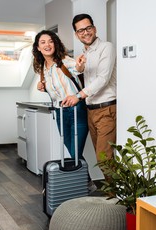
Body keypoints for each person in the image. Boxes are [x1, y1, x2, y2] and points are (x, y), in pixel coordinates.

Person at [63, 13, 117, 165]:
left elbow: (103, 79)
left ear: (94, 28)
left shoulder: (106, 47)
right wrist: (80, 69)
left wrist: (78, 96)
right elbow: (88, 79)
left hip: (106, 109)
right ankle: (113, 189)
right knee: (102, 159)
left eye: (88, 28)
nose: (85, 32)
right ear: (76, 34)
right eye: (81, 30)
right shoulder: (85, 53)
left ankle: (116, 190)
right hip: (91, 111)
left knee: (104, 159)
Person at [32, 30, 88, 161]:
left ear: (55, 44)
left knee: (75, 153)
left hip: (76, 110)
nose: (47, 45)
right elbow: (56, 89)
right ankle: (86, 180)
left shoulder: (64, 61)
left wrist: (80, 65)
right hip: (59, 112)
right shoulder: (42, 68)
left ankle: (85, 181)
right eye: (43, 42)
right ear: (38, 48)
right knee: (72, 151)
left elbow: (78, 68)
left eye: (51, 41)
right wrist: (42, 87)